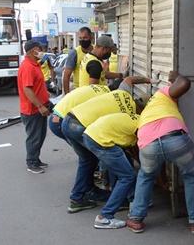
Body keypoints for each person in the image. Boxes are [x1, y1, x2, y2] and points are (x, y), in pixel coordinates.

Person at [126, 71, 194, 234]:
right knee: (191, 176)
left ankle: (136, 219)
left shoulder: (143, 115)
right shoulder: (161, 95)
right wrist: (177, 77)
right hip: (176, 140)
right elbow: (184, 83)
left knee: (146, 176)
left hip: (148, 144)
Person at [61, 76, 151, 213]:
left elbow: (129, 79)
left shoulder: (122, 93)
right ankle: (122, 199)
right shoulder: (131, 117)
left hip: (68, 120)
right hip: (82, 126)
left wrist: (149, 80)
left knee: (87, 161)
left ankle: (77, 199)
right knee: (117, 159)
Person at [83, 111, 140, 229]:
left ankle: (129, 200)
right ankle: (105, 216)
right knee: (127, 177)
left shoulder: (138, 118)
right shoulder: (143, 126)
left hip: (91, 134)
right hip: (101, 140)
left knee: (123, 167)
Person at [17, 40, 50, 174]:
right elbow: (27, 90)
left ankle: (36, 159)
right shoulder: (28, 67)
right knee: (34, 137)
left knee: (40, 136)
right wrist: (40, 106)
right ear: (31, 51)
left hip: (39, 107)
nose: (41, 51)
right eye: (38, 49)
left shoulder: (34, 65)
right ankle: (31, 163)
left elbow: (37, 86)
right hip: (32, 110)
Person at [63, 27, 92, 94]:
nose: (82, 40)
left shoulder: (96, 51)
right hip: (79, 91)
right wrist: (67, 95)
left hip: (93, 90)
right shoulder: (74, 53)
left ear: (91, 37)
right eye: (80, 38)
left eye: (85, 38)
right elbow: (66, 76)